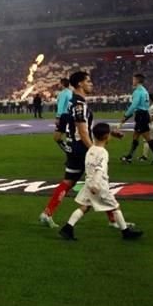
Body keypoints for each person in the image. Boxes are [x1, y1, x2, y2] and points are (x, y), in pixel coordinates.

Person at [41, 71, 118, 229]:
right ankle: (114, 221)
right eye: (88, 81)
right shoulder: (79, 104)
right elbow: (83, 131)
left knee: (68, 182)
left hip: (74, 148)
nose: (91, 84)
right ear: (80, 84)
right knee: (100, 181)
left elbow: (57, 136)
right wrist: (93, 151)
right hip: (83, 149)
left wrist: (68, 148)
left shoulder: (70, 104)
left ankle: (47, 213)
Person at [58, 123, 144, 241]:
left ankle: (68, 228)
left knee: (85, 207)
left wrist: (91, 183)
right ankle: (125, 232)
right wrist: (96, 184)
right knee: (115, 206)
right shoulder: (103, 153)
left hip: (88, 183)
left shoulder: (90, 150)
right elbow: (99, 169)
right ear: (107, 136)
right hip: (99, 185)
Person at [120, 74, 153, 164]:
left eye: (133, 79)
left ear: (137, 80)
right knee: (135, 136)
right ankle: (130, 156)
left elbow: (134, 105)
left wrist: (126, 115)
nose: (132, 81)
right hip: (144, 114)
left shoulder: (137, 92)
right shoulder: (145, 91)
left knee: (147, 138)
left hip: (141, 116)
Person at [53, 78, 72, 151]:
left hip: (64, 116)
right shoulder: (71, 92)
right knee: (69, 137)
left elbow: (60, 106)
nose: (59, 85)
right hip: (70, 116)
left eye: (60, 83)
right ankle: (70, 153)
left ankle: (69, 152)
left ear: (63, 84)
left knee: (56, 137)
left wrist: (58, 117)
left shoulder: (63, 93)